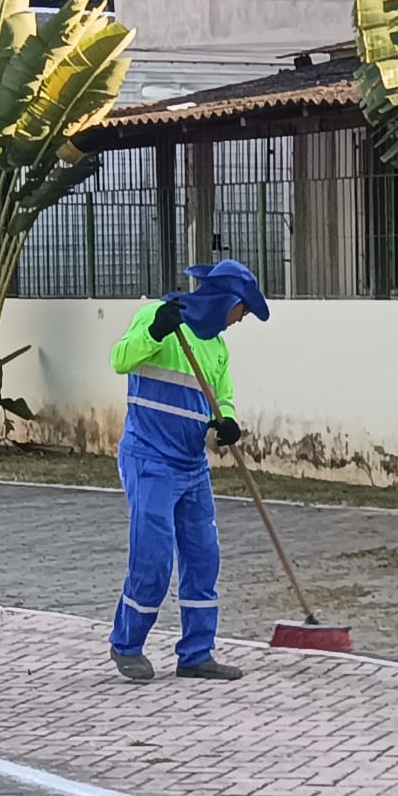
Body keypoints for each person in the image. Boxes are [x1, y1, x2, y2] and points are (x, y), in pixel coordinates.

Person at [107, 259, 270, 682]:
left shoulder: (217, 348)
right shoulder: (158, 317)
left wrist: (225, 426)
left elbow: (222, 400)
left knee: (203, 558)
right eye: (243, 309)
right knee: (154, 558)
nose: (242, 319)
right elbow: (120, 359)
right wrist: (154, 332)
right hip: (149, 460)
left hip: (192, 466)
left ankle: (197, 653)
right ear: (227, 301)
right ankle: (127, 645)